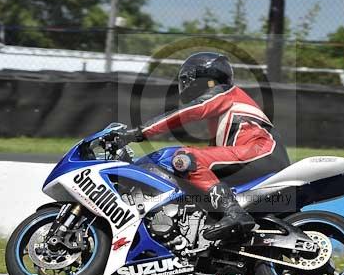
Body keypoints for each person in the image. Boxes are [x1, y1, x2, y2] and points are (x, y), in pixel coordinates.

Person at [110, 52, 290, 241]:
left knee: (186, 158)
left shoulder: (224, 92)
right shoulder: (222, 116)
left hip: (262, 151)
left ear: (201, 79)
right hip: (254, 153)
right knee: (187, 163)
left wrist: (137, 132)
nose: (184, 85)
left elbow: (186, 113)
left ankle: (234, 213)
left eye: (186, 79)